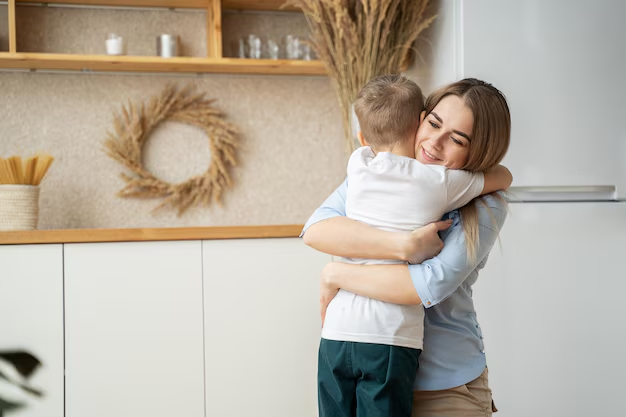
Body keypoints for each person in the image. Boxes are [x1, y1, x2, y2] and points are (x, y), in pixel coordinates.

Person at [303, 78, 512, 417]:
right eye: (434, 124)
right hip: (370, 366)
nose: (434, 143)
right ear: (418, 119)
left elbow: (427, 285)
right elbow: (316, 229)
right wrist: (405, 245)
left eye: (457, 139)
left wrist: (336, 273)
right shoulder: (377, 172)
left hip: (446, 389)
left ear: (479, 152)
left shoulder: (486, 204)